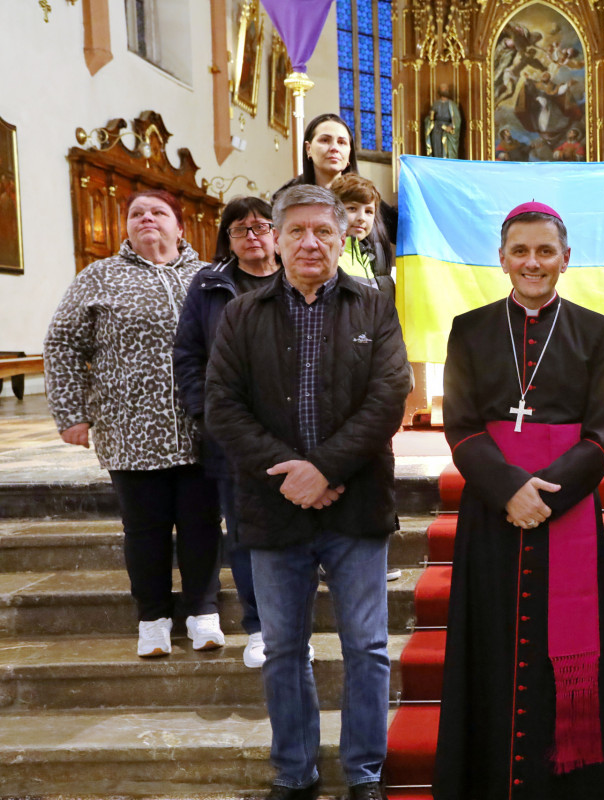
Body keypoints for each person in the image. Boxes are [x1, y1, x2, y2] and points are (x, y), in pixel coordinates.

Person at [205, 185, 411, 800]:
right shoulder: (242, 314)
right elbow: (222, 408)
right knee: (284, 649)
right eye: (296, 231)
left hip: (357, 502)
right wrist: (293, 475)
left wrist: (322, 469)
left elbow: (388, 398)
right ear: (275, 238)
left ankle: (365, 772)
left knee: (367, 647)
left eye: (323, 230)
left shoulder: (374, 304)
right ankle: (295, 771)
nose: (310, 243)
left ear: (343, 237)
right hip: (273, 507)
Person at [433, 201, 604, 800]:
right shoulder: (470, 328)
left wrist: (542, 495)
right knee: (491, 645)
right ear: (501, 259)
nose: (532, 262)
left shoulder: (596, 330)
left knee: (564, 653)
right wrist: (507, 490)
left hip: (565, 510)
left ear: (566, 258)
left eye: (545, 251)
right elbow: (460, 425)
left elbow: (603, 433)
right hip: (492, 511)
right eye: (520, 251)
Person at [44, 189, 223, 657]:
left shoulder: (208, 277)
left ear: (180, 227)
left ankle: (203, 611)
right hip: (129, 430)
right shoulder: (99, 276)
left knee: (203, 523)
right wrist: (72, 413)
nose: (146, 218)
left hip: (202, 427)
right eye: (136, 213)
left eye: (158, 212)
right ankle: (153, 618)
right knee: (145, 529)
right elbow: (62, 343)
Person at [173, 196, 279, 668]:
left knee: (298, 535)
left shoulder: (298, 275)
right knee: (243, 531)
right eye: (240, 230)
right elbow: (188, 353)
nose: (252, 236)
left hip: (295, 429)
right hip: (231, 431)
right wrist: (205, 411)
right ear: (228, 239)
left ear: (277, 233)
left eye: (260, 226)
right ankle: (259, 628)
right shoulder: (210, 283)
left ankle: (292, 626)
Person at [277, 112, 398, 248]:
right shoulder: (286, 199)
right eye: (325, 140)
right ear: (308, 149)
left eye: (341, 142)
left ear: (349, 153)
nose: (334, 148)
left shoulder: (365, 197)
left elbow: (405, 234)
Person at [330, 173, 396, 298]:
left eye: (369, 212)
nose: (362, 218)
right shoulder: (326, 257)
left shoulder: (369, 259)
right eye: (352, 208)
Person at [424, 83, 462, 159]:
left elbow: (457, 120)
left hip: (447, 131)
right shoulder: (435, 104)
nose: (445, 90)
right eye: (443, 88)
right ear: (440, 90)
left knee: (446, 151)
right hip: (436, 130)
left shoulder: (452, 104)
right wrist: (430, 119)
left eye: (447, 88)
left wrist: (451, 127)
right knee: (437, 150)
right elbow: (429, 119)